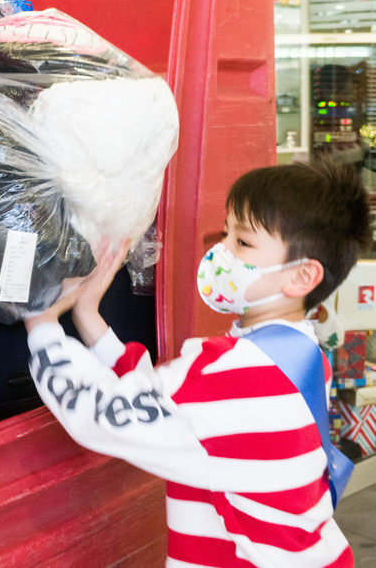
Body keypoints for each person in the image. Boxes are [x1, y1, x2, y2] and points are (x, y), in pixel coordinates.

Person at [25, 159, 371, 568]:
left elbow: (99, 415)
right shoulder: (294, 351)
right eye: (226, 232)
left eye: (242, 243)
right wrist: (88, 317)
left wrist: (42, 326)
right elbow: (170, 400)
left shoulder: (242, 373)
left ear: (299, 278)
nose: (220, 251)